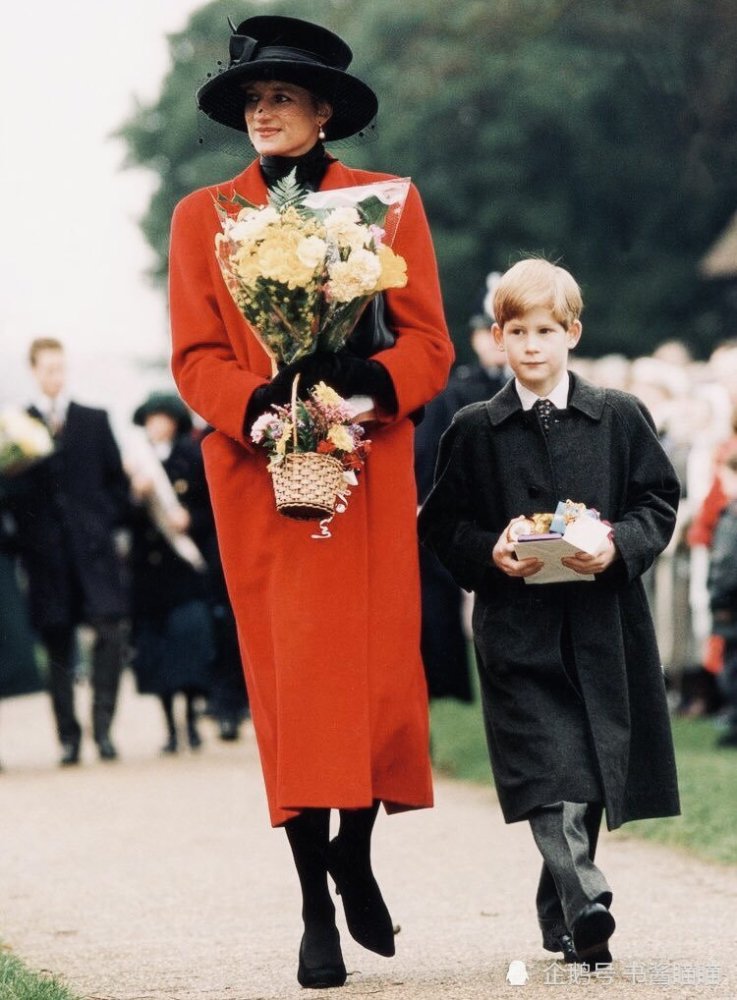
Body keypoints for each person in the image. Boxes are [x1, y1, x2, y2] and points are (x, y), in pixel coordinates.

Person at [169, 15, 454, 989]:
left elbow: (429, 345)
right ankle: (310, 901)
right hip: (260, 474)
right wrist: (257, 407)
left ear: (322, 110)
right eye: (252, 100)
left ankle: (356, 853)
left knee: (371, 674)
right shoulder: (200, 215)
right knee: (291, 685)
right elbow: (195, 356)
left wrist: (359, 382)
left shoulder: (386, 203)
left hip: (363, 462)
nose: (263, 112)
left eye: (280, 97)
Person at [419, 259, 680, 969]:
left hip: (603, 625)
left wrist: (618, 544)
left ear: (571, 333)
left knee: (591, 769)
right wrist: (490, 548)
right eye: (515, 331)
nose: (530, 345)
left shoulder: (618, 416)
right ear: (496, 338)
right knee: (549, 764)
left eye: (545, 330)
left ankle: (563, 911)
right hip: (516, 630)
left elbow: (657, 500)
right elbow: (441, 523)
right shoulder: (474, 429)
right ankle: (587, 896)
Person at [7, 338, 129, 765]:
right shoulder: (16, 426)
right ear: (34, 371)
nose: (56, 375)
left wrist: (101, 521)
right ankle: (69, 737)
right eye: (48, 369)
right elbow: (9, 494)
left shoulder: (94, 420)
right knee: (57, 646)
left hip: (93, 554)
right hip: (46, 559)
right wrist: (27, 535)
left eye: (61, 367)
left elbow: (117, 482)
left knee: (110, 635)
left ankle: (104, 728)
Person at [127, 392, 216, 755]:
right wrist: (135, 495)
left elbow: (210, 509)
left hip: (184, 570)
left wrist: (190, 519)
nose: (156, 425)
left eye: (162, 418)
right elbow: (121, 516)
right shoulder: (136, 464)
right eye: (150, 419)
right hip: (150, 575)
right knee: (158, 653)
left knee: (189, 646)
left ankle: (192, 721)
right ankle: (169, 726)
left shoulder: (191, 457)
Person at [705, 446, 737, 748]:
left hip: (731, 606)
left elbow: (726, 564)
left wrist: (719, 598)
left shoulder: (732, 515)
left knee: (732, 668)